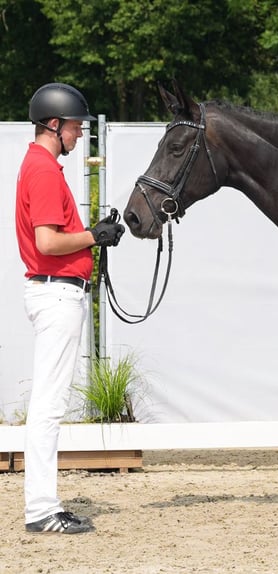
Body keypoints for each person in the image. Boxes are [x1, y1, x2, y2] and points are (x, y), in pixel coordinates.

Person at [15, 82, 125, 534]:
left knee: (49, 405)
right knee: (48, 407)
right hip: (56, 293)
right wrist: (93, 237)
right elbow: (47, 241)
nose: (80, 134)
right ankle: (41, 510)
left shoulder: (43, 166)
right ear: (55, 125)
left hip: (60, 291)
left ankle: (43, 505)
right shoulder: (42, 169)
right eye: (76, 126)